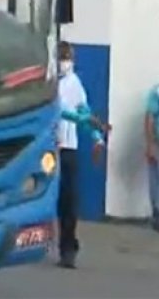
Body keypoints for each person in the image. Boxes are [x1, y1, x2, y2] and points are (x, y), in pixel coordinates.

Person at [55, 40, 109, 269]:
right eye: (61, 56)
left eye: (68, 57)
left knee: (70, 201)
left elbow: (82, 111)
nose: (64, 61)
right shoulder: (47, 82)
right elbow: (62, 112)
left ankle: (68, 249)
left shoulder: (74, 83)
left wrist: (97, 138)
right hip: (48, 148)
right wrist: (86, 119)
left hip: (68, 149)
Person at [145, 80, 159, 231]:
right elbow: (149, 117)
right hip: (158, 143)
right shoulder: (157, 92)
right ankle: (157, 214)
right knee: (155, 181)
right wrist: (150, 145)